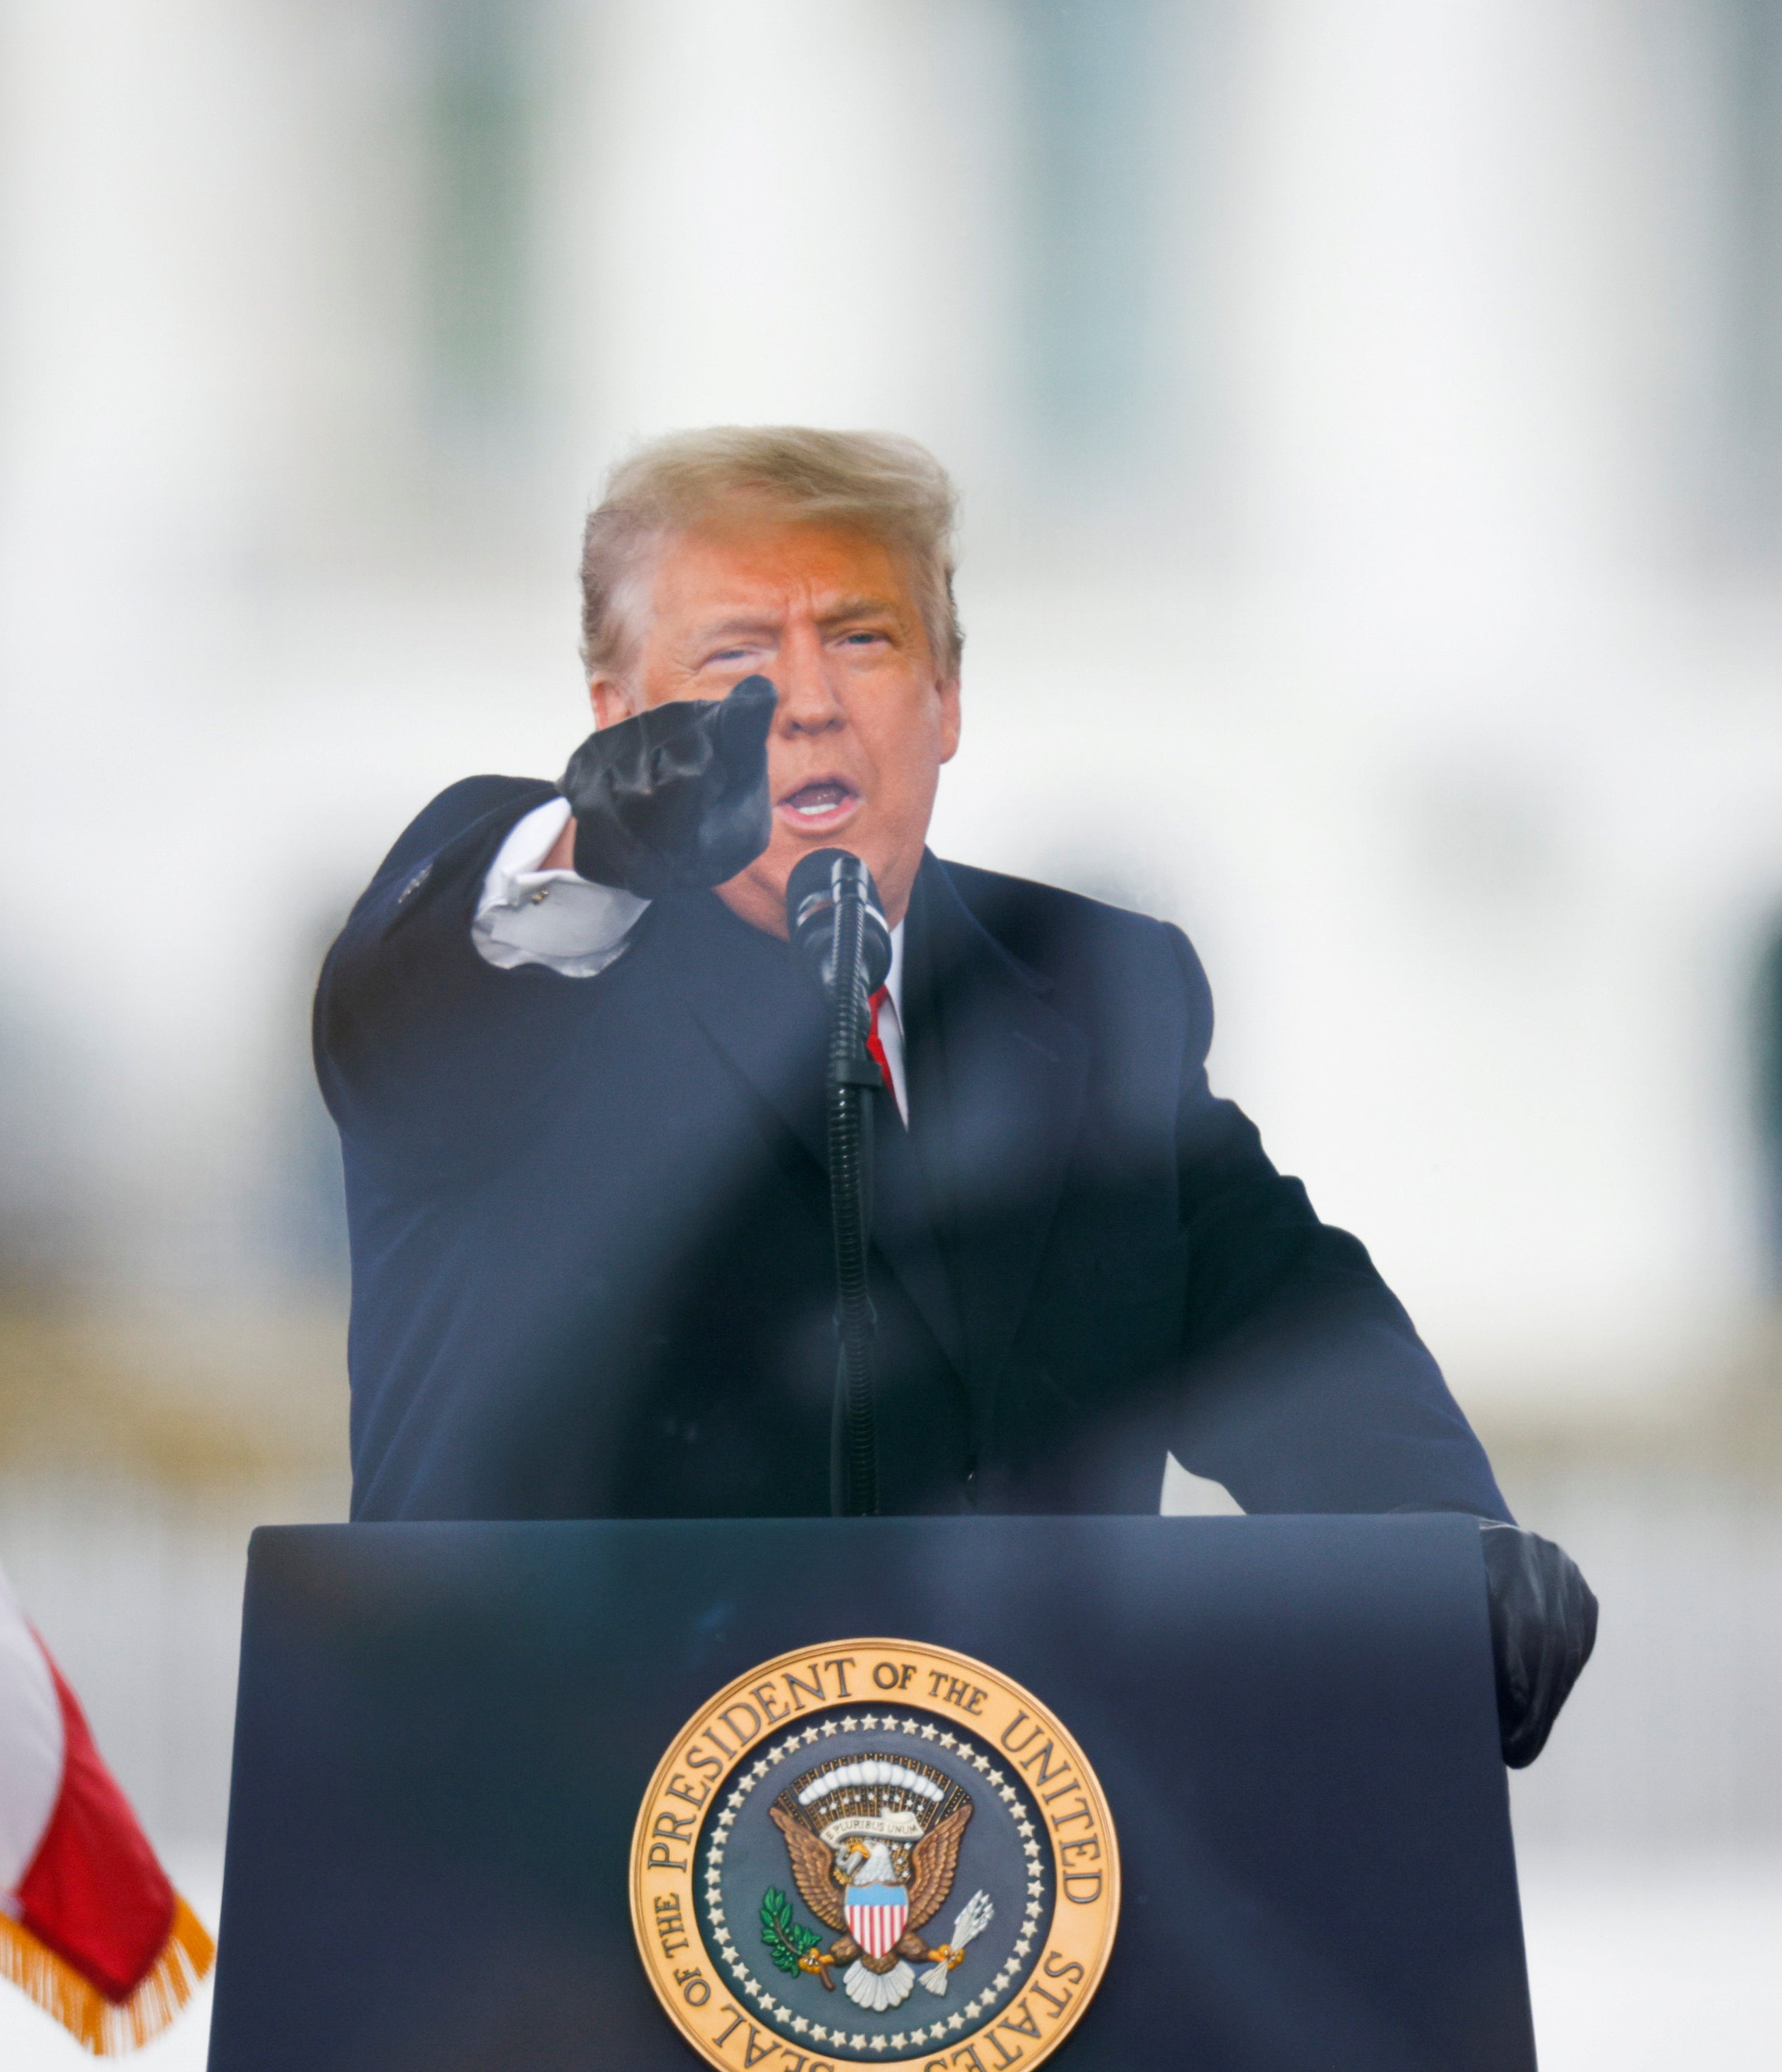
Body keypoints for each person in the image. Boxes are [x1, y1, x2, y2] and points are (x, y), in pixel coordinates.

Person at [315, 426, 1591, 1764]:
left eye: (859, 640)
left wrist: (1442, 1562)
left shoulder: (1100, 998)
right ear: (617, 713)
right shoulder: (528, 939)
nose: (804, 702)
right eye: (737, 657)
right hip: (527, 1858)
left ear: (945, 699)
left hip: (1007, 1889)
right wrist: (597, 849)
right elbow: (423, 1015)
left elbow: (1287, 1336)